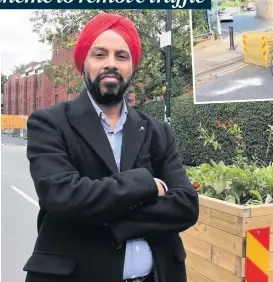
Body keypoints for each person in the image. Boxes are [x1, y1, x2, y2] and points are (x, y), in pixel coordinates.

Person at [23, 12, 199, 282]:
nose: (111, 64)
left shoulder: (157, 131)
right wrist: (144, 184)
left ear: (132, 66)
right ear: (83, 63)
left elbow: (186, 205)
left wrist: (112, 218)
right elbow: (62, 197)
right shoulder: (50, 123)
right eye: (100, 54)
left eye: (121, 56)